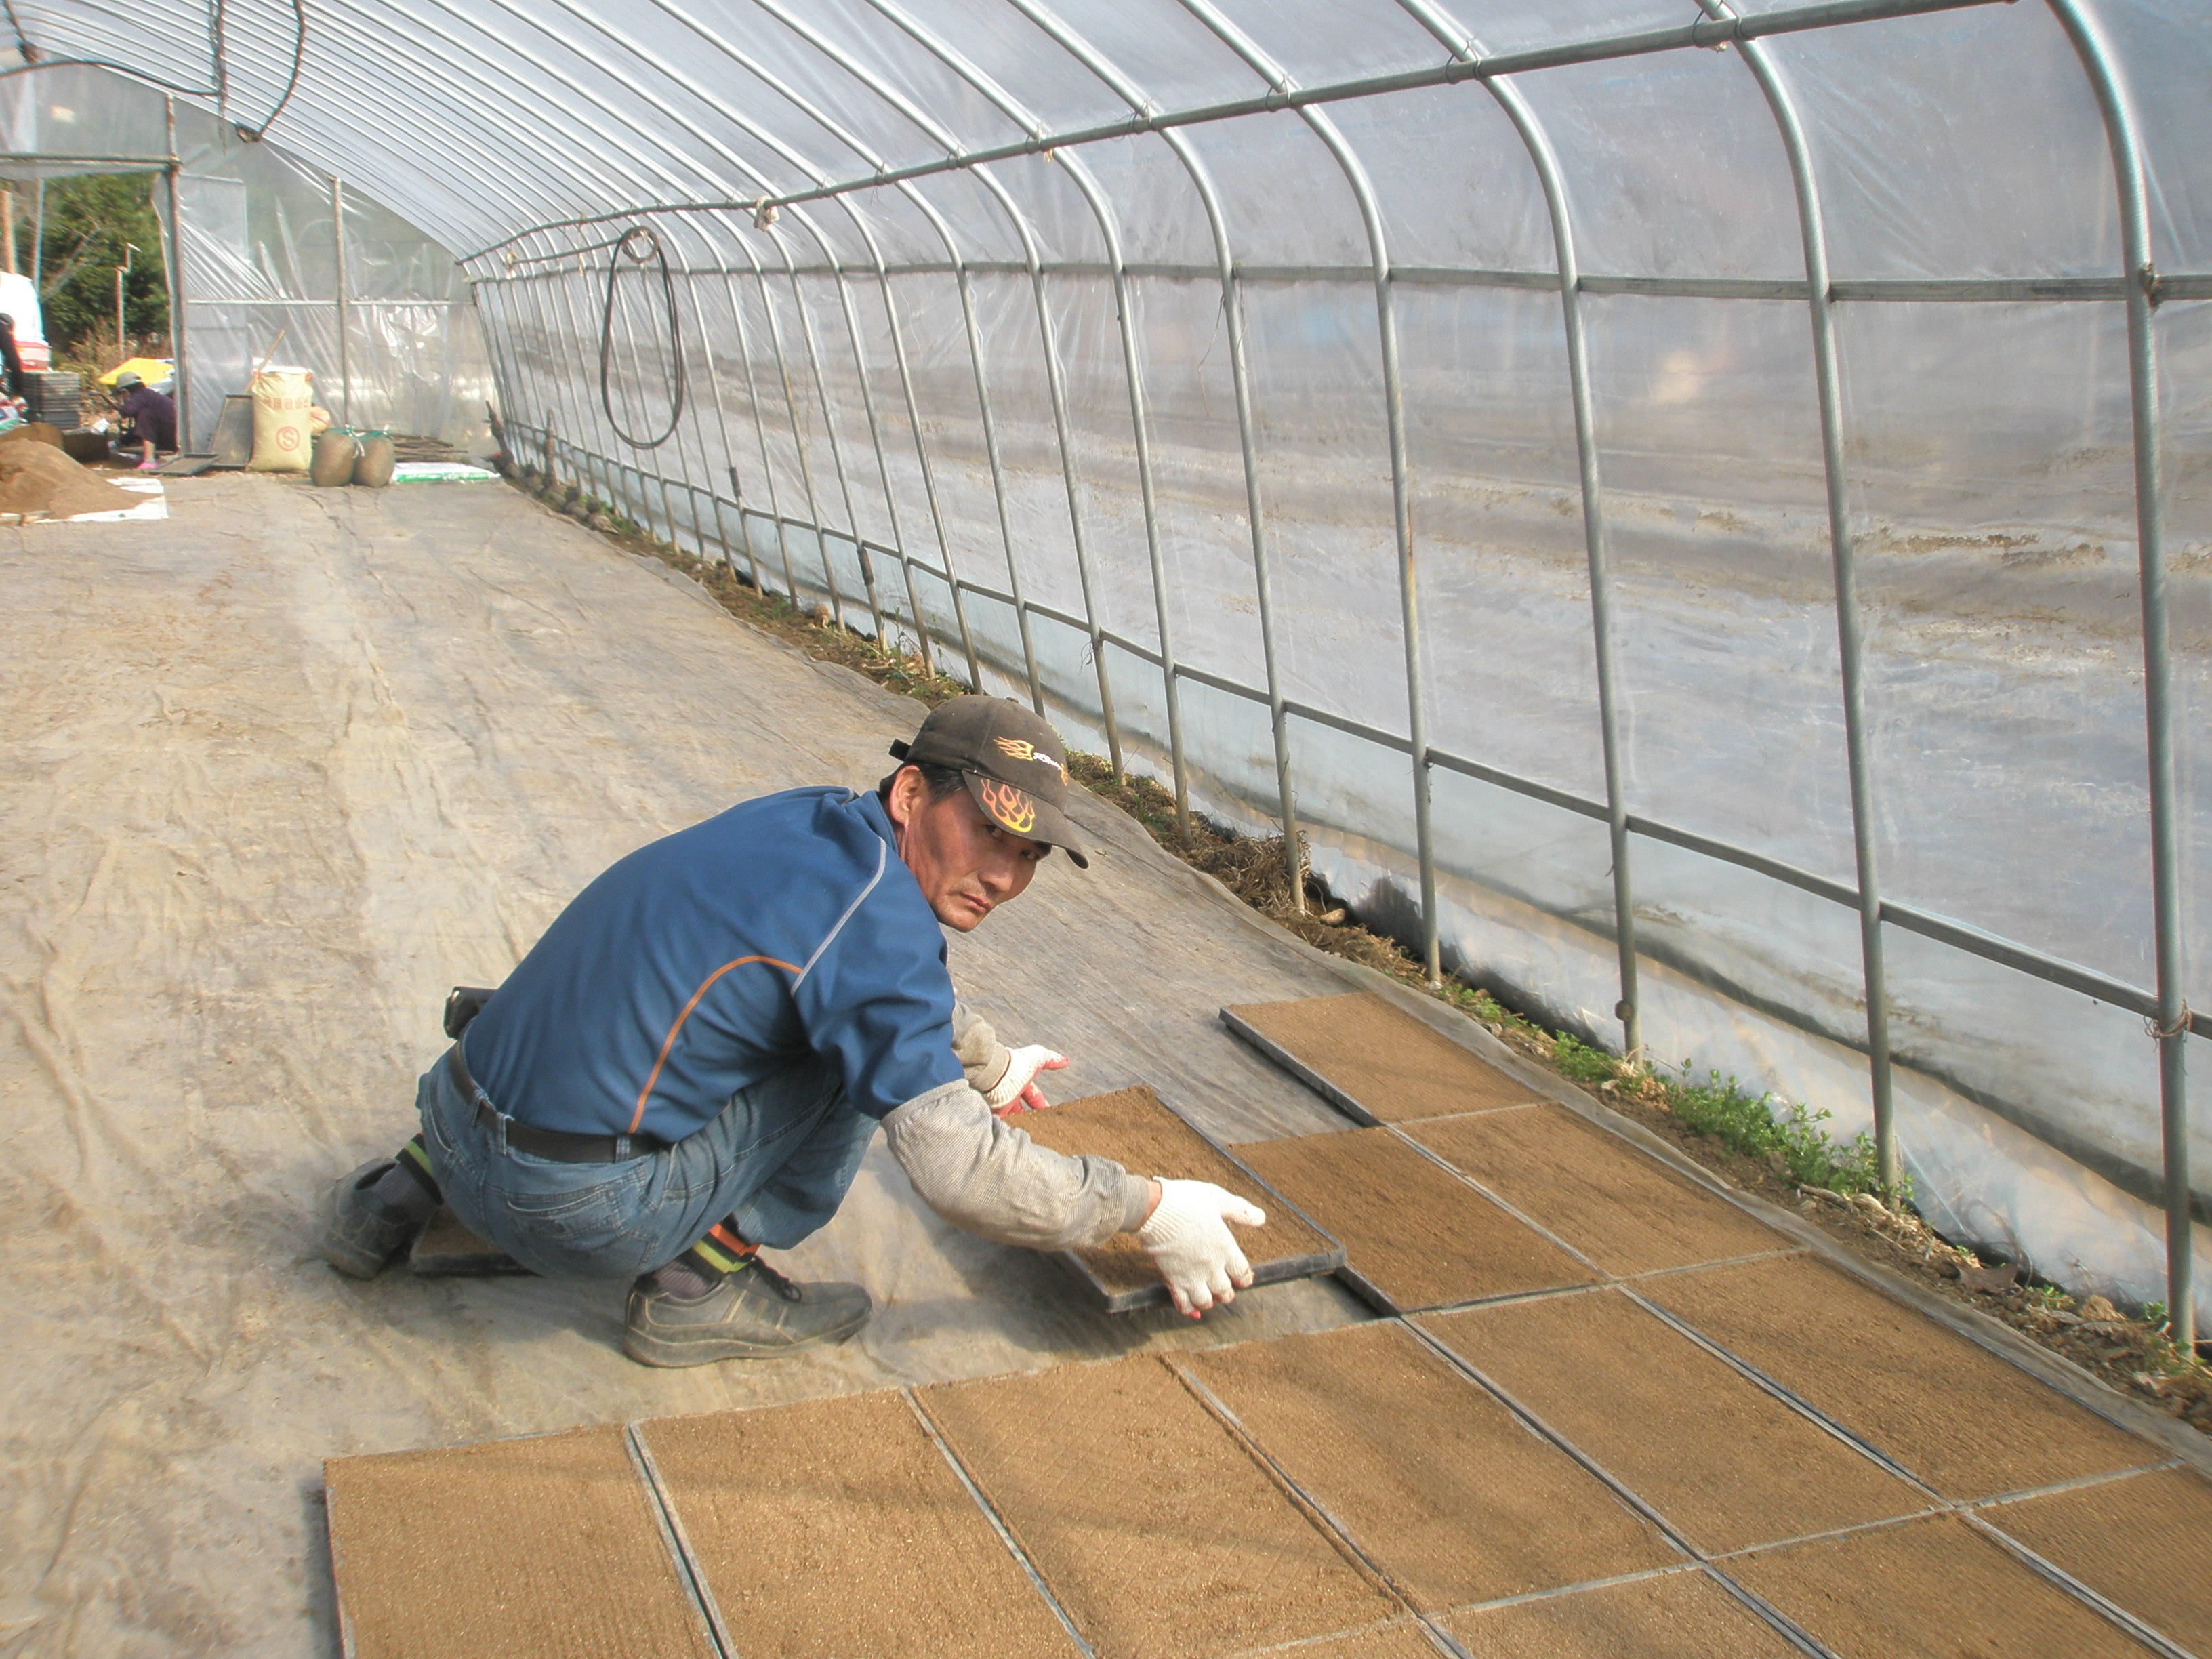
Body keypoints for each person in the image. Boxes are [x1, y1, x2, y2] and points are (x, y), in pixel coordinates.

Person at [319, 695, 1267, 1366]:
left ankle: (392, 1201)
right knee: (856, 1070)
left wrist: (989, 1065)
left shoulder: (808, 825)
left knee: (637, 996)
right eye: (988, 833)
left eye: (1029, 856)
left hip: (452, 1113)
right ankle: (697, 1289)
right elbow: (963, 1174)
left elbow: (881, 987)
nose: (1005, 877)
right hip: (564, 1211)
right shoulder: (877, 930)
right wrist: (1149, 1208)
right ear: (912, 795)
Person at [110, 370, 178, 471]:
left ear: (125, 392)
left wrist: (102, 423)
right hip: (171, 436)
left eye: (120, 396)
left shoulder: (141, 395)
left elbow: (126, 410)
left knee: (146, 414)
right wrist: (116, 443)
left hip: (174, 438)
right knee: (145, 416)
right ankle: (148, 458)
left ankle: (150, 461)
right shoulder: (148, 397)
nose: (121, 399)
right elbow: (138, 430)